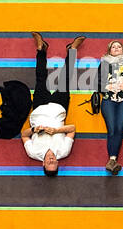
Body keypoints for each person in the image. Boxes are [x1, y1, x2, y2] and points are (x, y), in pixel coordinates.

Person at [22, 32, 85, 175]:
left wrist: (34, 130)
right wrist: (56, 131)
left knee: (40, 78)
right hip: (59, 108)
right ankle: (72, 50)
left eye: (49, 163)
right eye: (54, 163)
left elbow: (24, 135)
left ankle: (41, 49)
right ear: (57, 163)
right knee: (65, 78)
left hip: (39, 108)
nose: (52, 160)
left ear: (43, 163)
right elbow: (72, 129)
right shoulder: (63, 152)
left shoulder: (33, 153)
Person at [98, 40, 123, 174]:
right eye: (113, 47)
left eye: (118, 46)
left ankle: (112, 160)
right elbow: (98, 83)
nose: (116, 48)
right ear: (109, 51)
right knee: (111, 128)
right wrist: (108, 87)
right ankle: (112, 160)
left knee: (119, 128)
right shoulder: (103, 64)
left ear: (122, 50)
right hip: (108, 99)